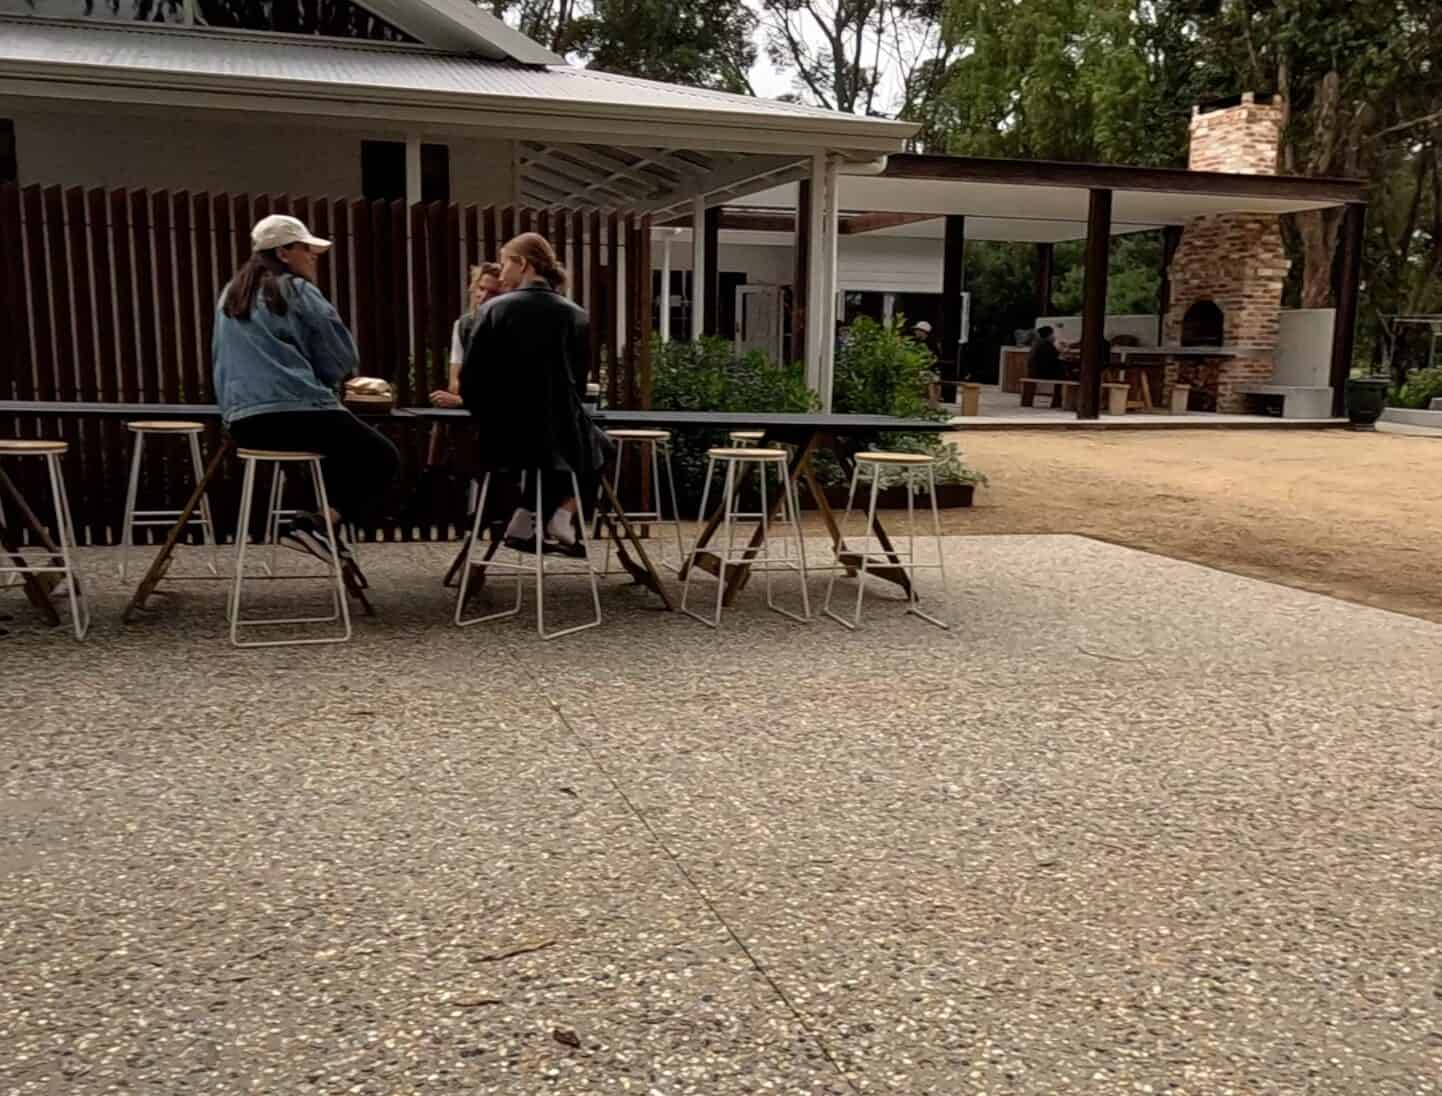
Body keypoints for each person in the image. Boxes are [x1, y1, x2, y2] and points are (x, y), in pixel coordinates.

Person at [212, 214, 399, 560]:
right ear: (284, 253)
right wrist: (325, 382)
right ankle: (318, 525)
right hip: (295, 412)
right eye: (306, 249)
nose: (314, 256)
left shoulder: (231, 294)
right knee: (382, 457)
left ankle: (315, 525)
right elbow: (340, 355)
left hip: (244, 424)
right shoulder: (296, 289)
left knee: (334, 456)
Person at [460, 232, 603, 554]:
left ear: (522, 264)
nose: (501, 268)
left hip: (502, 439)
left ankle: (525, 519)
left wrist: (488, 415)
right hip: (559, 437)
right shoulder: (575, 314)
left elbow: (472, 379)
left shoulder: (495, 310)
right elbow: (579, 385)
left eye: (504, 260)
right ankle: (554, 516)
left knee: (552, 450)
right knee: (592, 446)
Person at [430, 262, 502, 410]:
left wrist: (464, 399)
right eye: (481, 288)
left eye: (494, 293)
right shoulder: (463, 325)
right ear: (474, 288)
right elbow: (455, 383)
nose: (484, 296)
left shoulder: (508, 327)